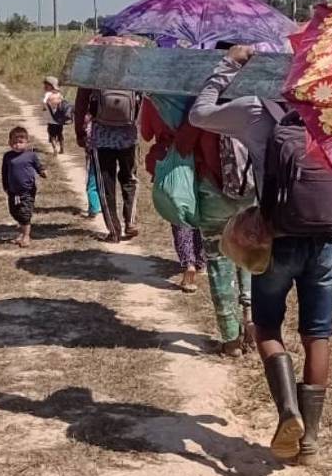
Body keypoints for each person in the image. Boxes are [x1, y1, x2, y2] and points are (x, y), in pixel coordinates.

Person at [190, 44, 332, 464]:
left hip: (275, 238)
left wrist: (230, 65)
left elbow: (199, 113)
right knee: (318, 333)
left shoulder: (255, 110)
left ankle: (288, 409)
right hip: (327, 241)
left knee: (267, 328)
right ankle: (309, 439)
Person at [138, 95, 254, 356]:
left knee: (218, 261)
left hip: (209, 186)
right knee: (249, 255)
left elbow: (150, 133)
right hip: (249, 187)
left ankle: (231, 339)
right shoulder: (251, 95)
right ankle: (252, 320)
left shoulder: (168, 96)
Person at [74, 86, 141, 243]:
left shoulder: (95, 68)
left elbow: (81, 102)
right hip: (128, 135)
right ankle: (130, 221)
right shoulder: (133, 67)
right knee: (129, 179)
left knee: (105, 186)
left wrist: (80, 132)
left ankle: (114, 231)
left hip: (101, 136)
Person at [2, 126, 47, 247]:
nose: (17, 145)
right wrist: (5, 186)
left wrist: (42, 172)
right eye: (14, 142)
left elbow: (38, 166)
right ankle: (22, 233)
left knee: (25, 213)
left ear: (27, 142)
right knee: (14, 211)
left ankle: (26, 236)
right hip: (12, 190)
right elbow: (4, 172)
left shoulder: (30, 155)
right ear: (9, 142)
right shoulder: (7, 156)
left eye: (20, 142)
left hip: (27, 190)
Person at [42, 76, 71, 154]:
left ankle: (54, 149)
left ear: (51, 86)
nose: (44, 86)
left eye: (46, 85)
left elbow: (44, 102)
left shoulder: (47, 94)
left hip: (51, 120)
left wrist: (44, 108)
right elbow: (62, 102)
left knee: (52, 135)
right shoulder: (59, 94)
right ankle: (62, 149)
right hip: (59, 119)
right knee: (60, 134)